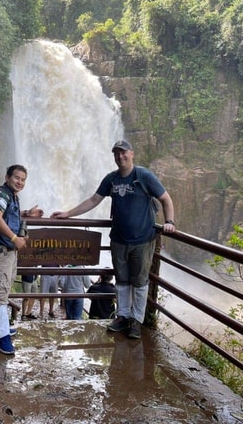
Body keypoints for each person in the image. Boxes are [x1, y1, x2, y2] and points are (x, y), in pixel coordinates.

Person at [51, 139, 176, 339]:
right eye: (117, 154)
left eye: (124, 152)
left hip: (143, 240)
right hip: (118, 240)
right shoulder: (111, 179)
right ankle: (123, 316)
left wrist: (169, 221)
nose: (120, 157)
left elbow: (165, 199)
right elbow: (94, 200)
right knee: (122, 281)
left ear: (132, 153)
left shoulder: (143, 176)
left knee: (140, 281)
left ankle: (136, 320)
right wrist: (68, 214)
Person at [0, 165, 43, 355]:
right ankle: (3, 338)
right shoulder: (1, 193)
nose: (20, 182)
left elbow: (7, 215)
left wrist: (26, 214)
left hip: (7, 252)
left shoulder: (11, 196)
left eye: (23, 179)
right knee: (0, 293)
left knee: (1, 290)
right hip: (0, 251)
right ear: (7, 177)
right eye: (17, 178)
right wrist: (14, 239)